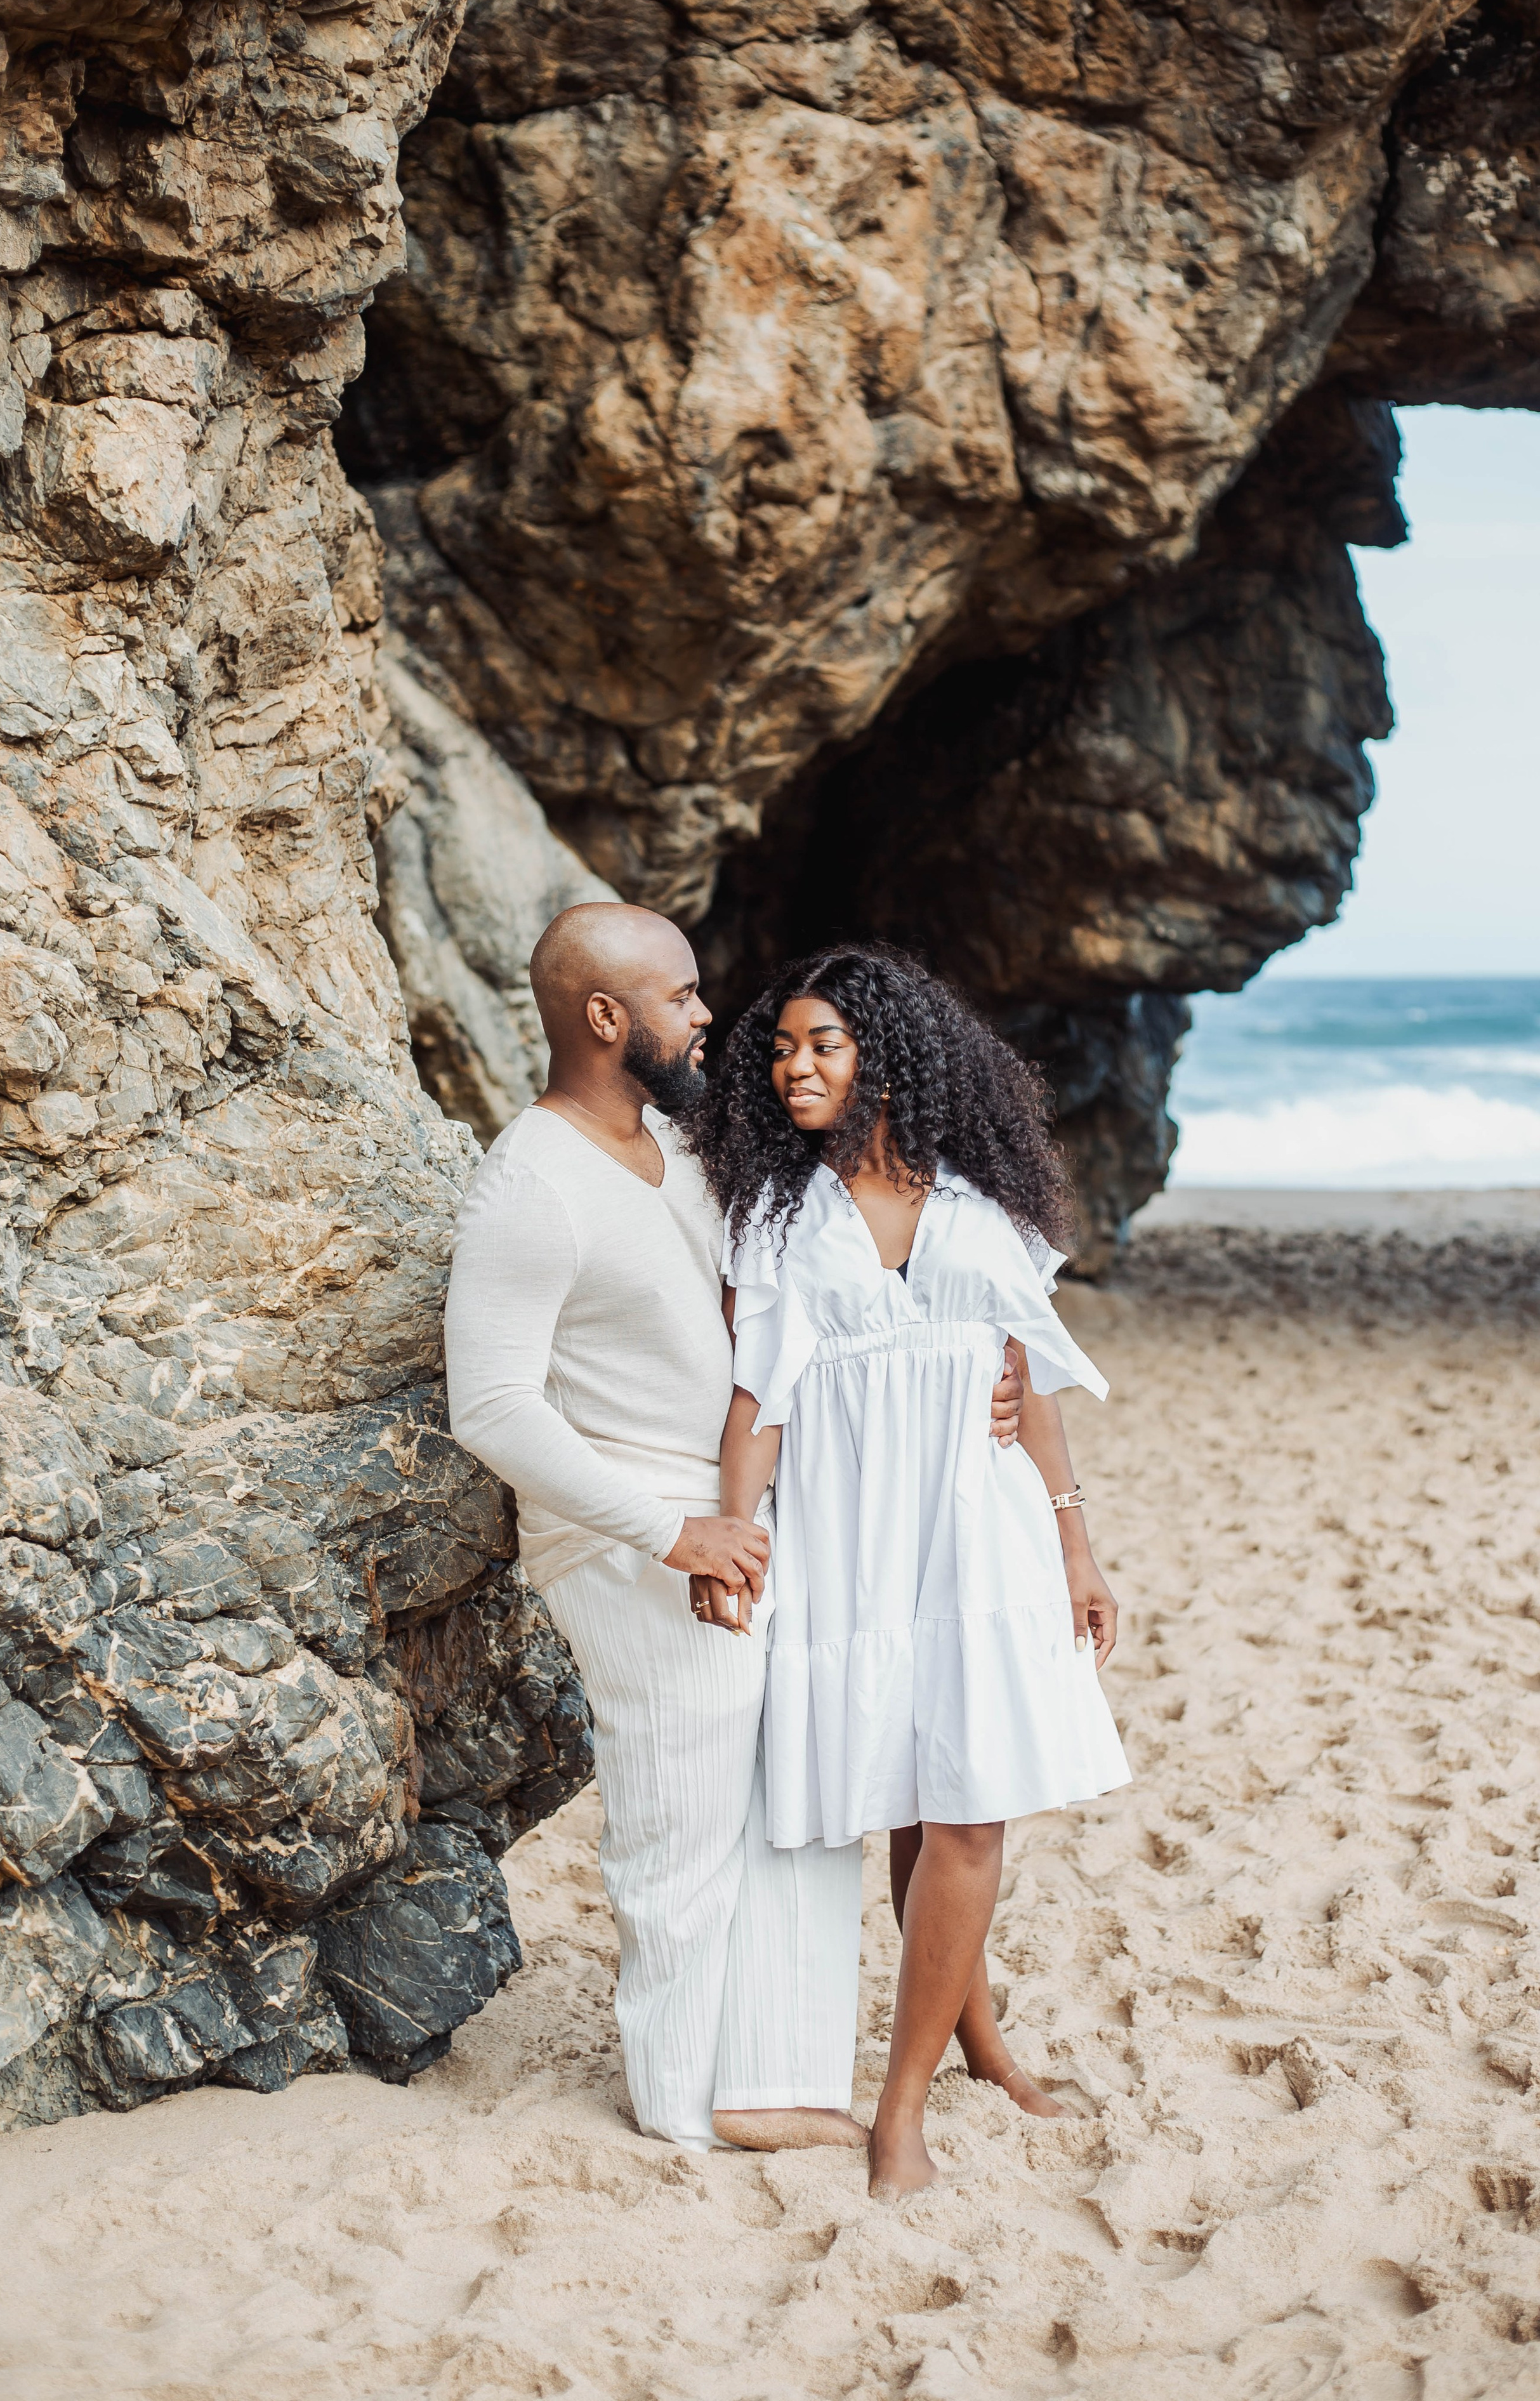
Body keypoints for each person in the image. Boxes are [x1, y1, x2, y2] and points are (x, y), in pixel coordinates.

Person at [443, 904, 1027, 2154]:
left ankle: (773, 2079)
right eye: (682, 994)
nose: (710, 1015)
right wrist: (672, 1533)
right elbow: (491, 1405)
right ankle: (675, 2101)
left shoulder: (676, 1143)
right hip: (627, 1534)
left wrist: (976, 1364)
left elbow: (819, 1276)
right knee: (683, 1805)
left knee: (796, 1782)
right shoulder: (529, 1183)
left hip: (739, 1514)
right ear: (607, 1018)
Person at [683, 942, 1131, 2197]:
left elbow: (1026, 1377)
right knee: (910, 1788)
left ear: (888, 1055)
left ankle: (900, 2112)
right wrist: (731, 1535)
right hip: (850, 1531)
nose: (793, 1067)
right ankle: (980, 2037)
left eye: (821, 1044)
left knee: (970, 1803)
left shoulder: (981, 1203)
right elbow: (754, 1400)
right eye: (779, 1048)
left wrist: (1072, 1540)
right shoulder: (775, 1211)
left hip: (976, 1527)